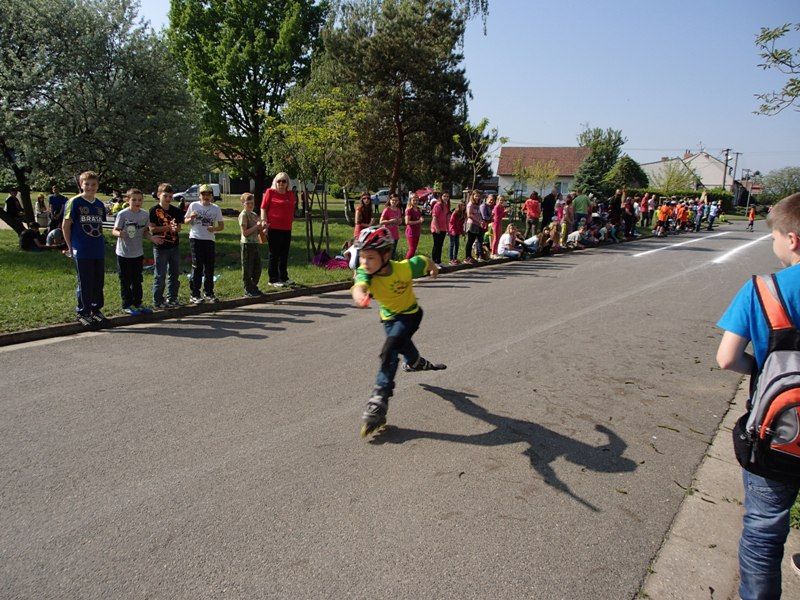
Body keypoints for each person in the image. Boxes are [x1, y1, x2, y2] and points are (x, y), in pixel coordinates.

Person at [716, 193, 800, 599]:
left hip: (781, 430)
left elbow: (727, 358)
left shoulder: (764, 290)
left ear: (793, 239)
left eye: (775, 235)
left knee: (765, 532)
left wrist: (762, 369)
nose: (774, 243)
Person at [350, 226, 445, 437]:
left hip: (410, 315)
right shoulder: (366, 274)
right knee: (397, 343)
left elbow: (423, 260)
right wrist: (360, 297)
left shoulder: (403, 269)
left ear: (386, 255)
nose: (364, 263)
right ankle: (415, 362)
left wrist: (434, 268)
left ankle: (379, 398)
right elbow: (359, 286)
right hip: (389, 319)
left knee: (390, 349)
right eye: (362, 257)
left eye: (370, 257)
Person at [62, 171, 107, 327]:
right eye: (86, 184)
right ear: (81, 185)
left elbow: (100, 226)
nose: (90, 187)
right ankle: (83, 311)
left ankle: (96, 310)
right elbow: (65, 226)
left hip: (97, 249)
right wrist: (70, 247)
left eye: (93, 184)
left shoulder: (100, 205)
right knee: (85, 281)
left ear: (97, 186)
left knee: (98, 282)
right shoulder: (74, 202)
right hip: (81, 249)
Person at [113, 188, 163, 315]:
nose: (137, 202)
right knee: (125, 280)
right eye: (134, 199)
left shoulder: (145, 214)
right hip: (124, 253)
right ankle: (127, 305)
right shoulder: (123, 214)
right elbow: (115, 230)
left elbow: (145, 232)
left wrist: (152, 238)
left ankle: (138, 303)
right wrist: (120, 233)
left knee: (137, 280)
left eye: (140, 200)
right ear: (127, 200)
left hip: (137, 253)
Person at [185, 183, 224, 303]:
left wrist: (214, 229)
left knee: (209, 266)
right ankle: (195, 294)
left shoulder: (215, 208)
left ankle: (209, 293)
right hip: (196, 238)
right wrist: (191, 217)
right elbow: (185, 221)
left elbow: (221, 226)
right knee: (197, 266)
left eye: (208, 194)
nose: (206, 196)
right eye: (203, 194)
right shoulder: (194, 205)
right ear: (199, 195)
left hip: (209, 239)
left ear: (212, 196)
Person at [148, 183, 183, 309]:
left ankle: (172, 297)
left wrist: (175, 228)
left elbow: (178, 227)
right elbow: (152, 229)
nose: (168, 198)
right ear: (159, 195)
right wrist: (168, 227)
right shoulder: (153, 210)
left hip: (174, 246)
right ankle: (158, 300)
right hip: (160, 247)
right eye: (165, 196)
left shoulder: (176, 211)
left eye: (170, 196)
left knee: (174, 274)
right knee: (160, 274)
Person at [261, 172, 297, 288]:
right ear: (275, 182)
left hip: (286, 228)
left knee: (284, 254)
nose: (281, 183)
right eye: (279, 181)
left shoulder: (290, 194)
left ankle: (284, 276)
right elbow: (263, 208)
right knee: (274, 254)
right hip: (274, 227)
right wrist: (264, 222)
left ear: (287, 183)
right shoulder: (270, 192)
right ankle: (273, 278)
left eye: (284, 181)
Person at [239, 192, 265, 297]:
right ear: (243, 204)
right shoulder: (243, 215)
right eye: (248, 203)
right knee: (247, 268)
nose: (250, 205)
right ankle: (248, 289)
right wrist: (256, 226)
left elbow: (258, 231)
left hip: (255, 243)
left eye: (252, 203)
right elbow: (245, 233)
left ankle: (254, 286)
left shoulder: (254, 215)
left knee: (257, 268)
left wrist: (263, 228)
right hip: (247, 244)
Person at [380, 193, 403, 259]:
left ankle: (391, 267)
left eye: (396, 200)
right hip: (387, 235)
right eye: (393, 200)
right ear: (390, 200)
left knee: (393, 253)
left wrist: (399, 221)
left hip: (395, 235)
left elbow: (400, 221)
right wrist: (391, 221)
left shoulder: (398, 210)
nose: (394, 202)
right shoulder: (387, 210)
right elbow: (381, 222)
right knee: (386, 254)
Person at [430, 191, 449, 267]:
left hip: (443, 228)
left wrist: (447, 228)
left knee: (440, 245)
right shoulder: (437, 205)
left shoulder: (445, 205)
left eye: (447, 196)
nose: (446, 198)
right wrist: (437, 228)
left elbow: (446, 218)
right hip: (436, 228)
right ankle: (434, 262)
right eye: (444, 196)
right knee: (436, 245)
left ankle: (439, 261)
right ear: (441, 197)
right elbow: (434, 217)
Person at [465, 190, 485, 263]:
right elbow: (469, 215)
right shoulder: (470, 204)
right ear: (472, 196)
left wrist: (481, 220)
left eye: (478, 196)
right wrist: (478, 221)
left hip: (477, 224)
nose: (477, 197)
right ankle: (467, 257)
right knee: (470, 241)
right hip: (471, 224)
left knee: (474, 240)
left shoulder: (478, 204)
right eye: (476, 196)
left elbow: (478, 214)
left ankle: (472, 256)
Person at [404, 192, 423, 259]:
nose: (415, 202)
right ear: (410, 200)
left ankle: (410, 265)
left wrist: (421, 219)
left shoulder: (418, 209)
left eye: (417, 200)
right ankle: (405, 264)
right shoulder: (409, 210)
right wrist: (418, 221)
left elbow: (419, 218)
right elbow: (407, 222)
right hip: (411, 233)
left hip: (417, 232)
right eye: (414, 200)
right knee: (412, 249)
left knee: (414, 249)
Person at [448, 200, 466, 265]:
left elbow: (461, 224)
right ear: (459, 206)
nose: (463, 207)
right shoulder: (455, 213)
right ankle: (451, 259)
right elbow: (451, 222)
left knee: (457, 245)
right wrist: (452, 231)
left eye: (464, 205)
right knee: (452, 245)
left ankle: (455, 258)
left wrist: (462, 232)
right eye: (461, 205)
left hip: (457, 231)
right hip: (452, 231)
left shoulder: (463, 214)